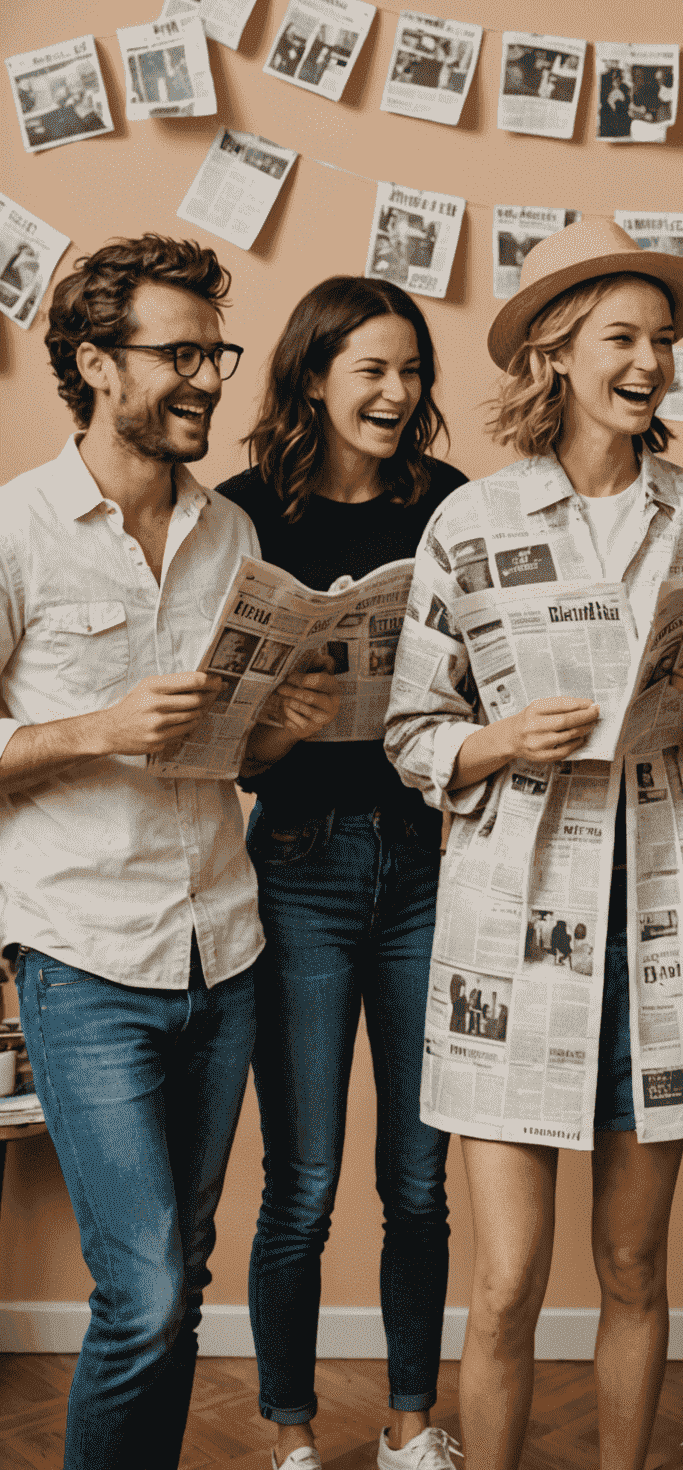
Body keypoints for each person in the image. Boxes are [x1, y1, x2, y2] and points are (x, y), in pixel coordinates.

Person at [385, 218, 683, 1470]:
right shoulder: (472, 522)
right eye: (624, 336)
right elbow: (412, 729)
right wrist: (500, 744)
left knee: (630, 1266)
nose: (652, 359)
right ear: (556, 353)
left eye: (662, 338)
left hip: (658, 924)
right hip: (512, 930)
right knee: (502, 1285)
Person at [0, 234, 339, 1470]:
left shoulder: (231, 540)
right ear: (97, 363)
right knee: (139, 1290)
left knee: (181, 1280)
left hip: (224, 950)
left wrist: (279, 733)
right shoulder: (19, 531)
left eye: (216, 350)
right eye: (179, 352)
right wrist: (94, 728)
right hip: (85, 958)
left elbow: (228, 763)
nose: (207, 377)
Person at [217, 276, 469, 1470]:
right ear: (314, 374)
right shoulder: (239, 516)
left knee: (418, 1182)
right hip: (298, 868)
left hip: (430, 862)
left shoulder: (453, 510)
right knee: (303, 1186)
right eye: (372, 368)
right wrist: (278, 719)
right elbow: (210, 736)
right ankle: (293, 1437)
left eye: (412, 371)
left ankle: (413, 1429)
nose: (397, 392)